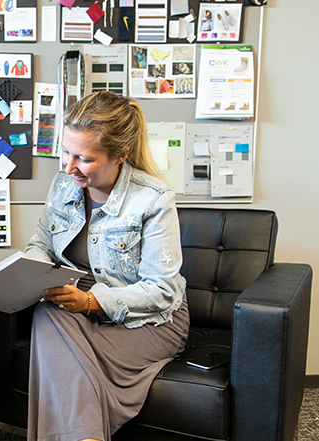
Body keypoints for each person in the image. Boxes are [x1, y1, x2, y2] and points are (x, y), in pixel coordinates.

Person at [24, 91, 189, 441]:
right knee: (48, 314)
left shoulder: (155, 199)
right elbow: (41, 244)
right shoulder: (62, 184)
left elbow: (162, 290)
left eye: (83, 159)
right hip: (76, 309)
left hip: (147, 320)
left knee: (56, 342)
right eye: (66, 152)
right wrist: (34, 273)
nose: (68, 167)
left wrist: (91, 302)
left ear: (121, 155)